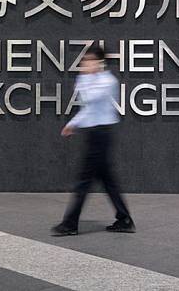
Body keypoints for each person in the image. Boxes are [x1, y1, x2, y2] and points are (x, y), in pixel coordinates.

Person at [51, 45, 135, 236]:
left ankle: (70, 224)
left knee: (84, 181)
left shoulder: (107, 81)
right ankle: (124, 219)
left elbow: (91, 101)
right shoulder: (88, 79)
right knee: (107, 180)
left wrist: (84, 78)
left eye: (89, 60)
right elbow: (86, 107)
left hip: (101, 134)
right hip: (94, 134)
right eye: (85, 60)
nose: (85, 64)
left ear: (99, 61)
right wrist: (72, 124)